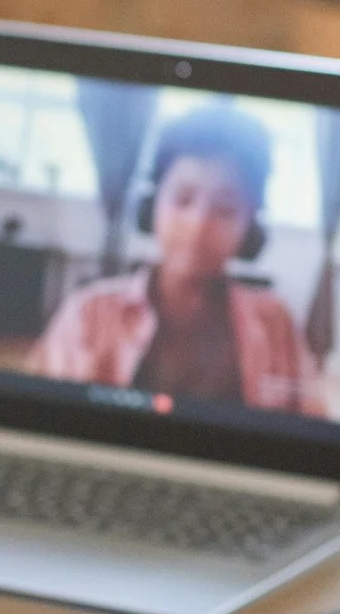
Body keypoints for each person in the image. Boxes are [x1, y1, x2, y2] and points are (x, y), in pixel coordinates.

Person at [29, 103, 323, 416]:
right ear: (151, 204)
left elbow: (310, 422)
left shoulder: (274, 322)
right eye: (183, 199)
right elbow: (38, 417)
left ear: (250, 226)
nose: (198, 225)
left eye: (225, 209)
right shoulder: (88, 314)